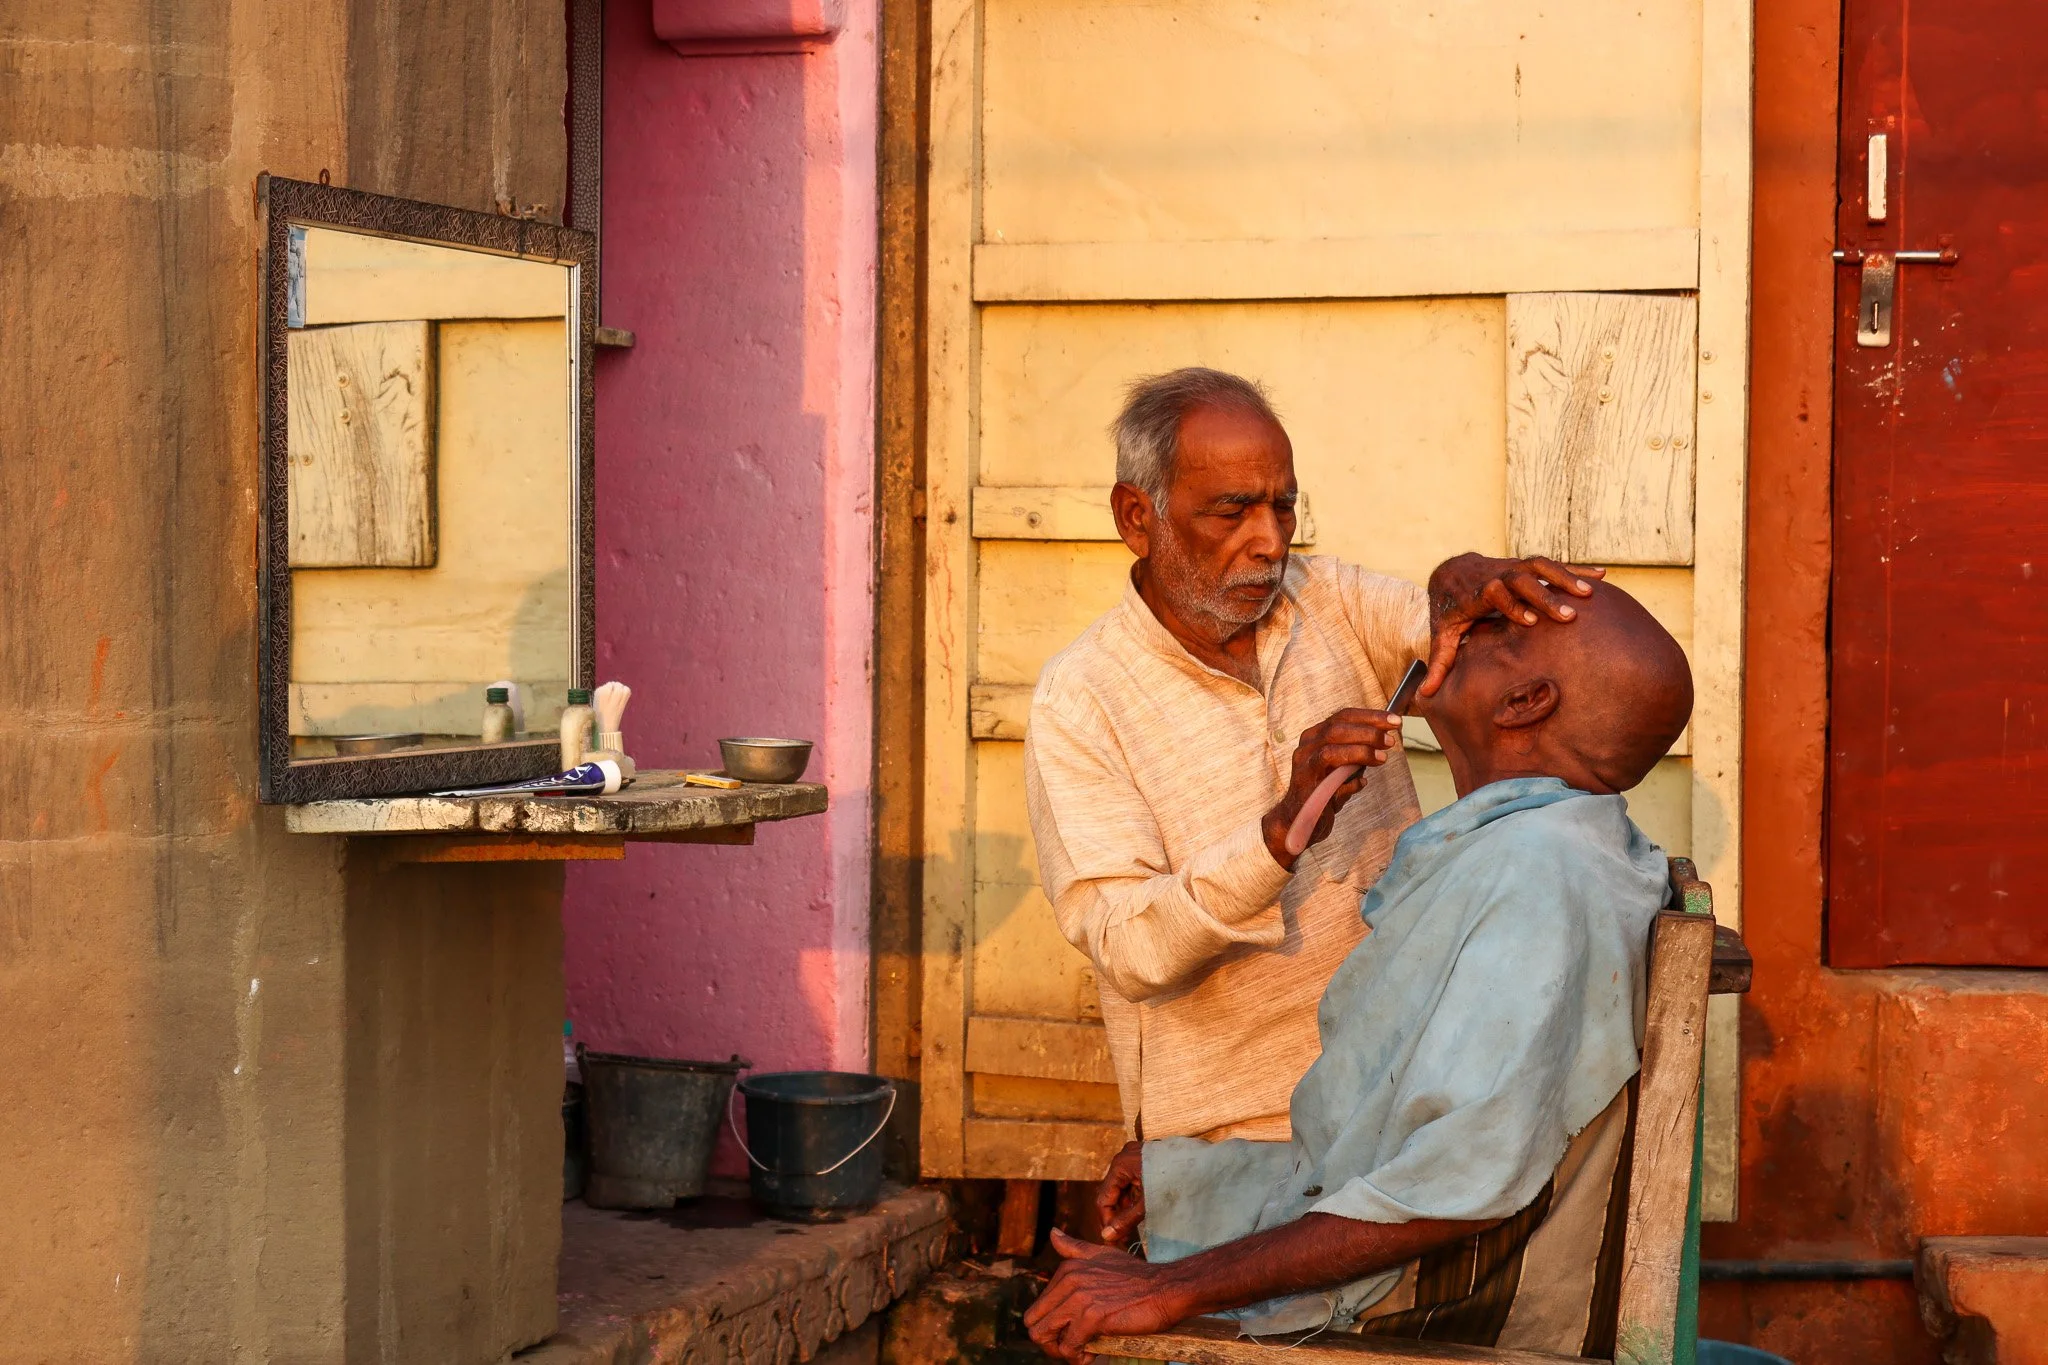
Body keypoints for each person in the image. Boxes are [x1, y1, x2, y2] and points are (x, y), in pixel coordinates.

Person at [1024, 576, 1694, 1361]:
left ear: (1525, 702)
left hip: (1422, 1317)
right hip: (1420, 1273)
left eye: (1489, 630)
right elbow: (1426, 1152)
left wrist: (1175, 1287)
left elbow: (1455, 1186)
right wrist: (1193, 1181)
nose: (1447, 632)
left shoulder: (1535, 874)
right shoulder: (1553, 845)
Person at [1024, 367, 1602, 1146]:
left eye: (1283, 504)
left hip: (1400, 1077)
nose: (1268, 540)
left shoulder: (1324, 597)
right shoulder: (1082, 697)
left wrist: (1456, 588)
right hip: (1232, 1128)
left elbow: (1451, 636)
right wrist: (1279, 833)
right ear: (1138, 517)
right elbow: (1130, 948)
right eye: (1232, 510)